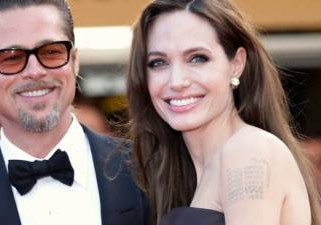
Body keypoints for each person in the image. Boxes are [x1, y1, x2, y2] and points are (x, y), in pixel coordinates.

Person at [0, 1, 147, 225]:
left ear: (74, 61)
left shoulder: (149, 170)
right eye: (11, 57)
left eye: (51, 52)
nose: (35, 71)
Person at [127, 0, 321, 225]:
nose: (177, 81)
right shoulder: (185, 175)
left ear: (237, 63)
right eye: (158, 62)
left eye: (198, 58)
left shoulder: (248, 151)